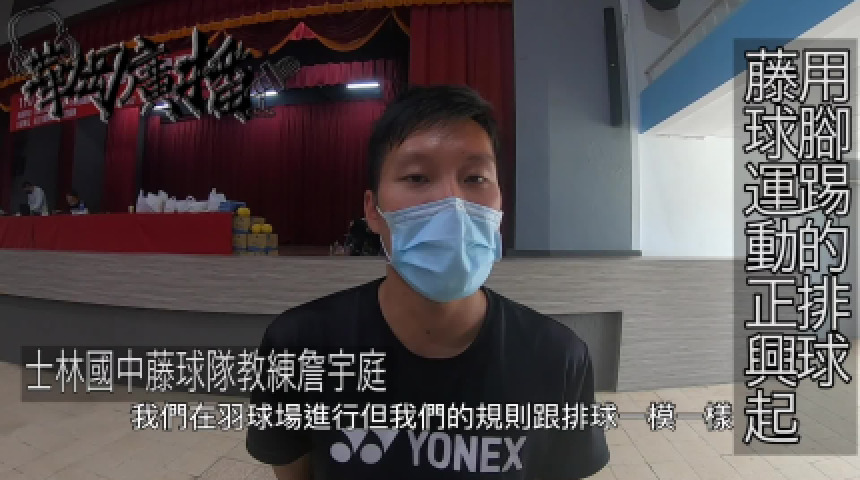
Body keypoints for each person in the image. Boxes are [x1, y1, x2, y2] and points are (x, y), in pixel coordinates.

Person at [246, 85, 610, 480]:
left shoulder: (558, 359)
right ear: (373, 210)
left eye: (475, 177)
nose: (452, 203)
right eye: (417, 177)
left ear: (501, 201)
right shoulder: (299, 346)